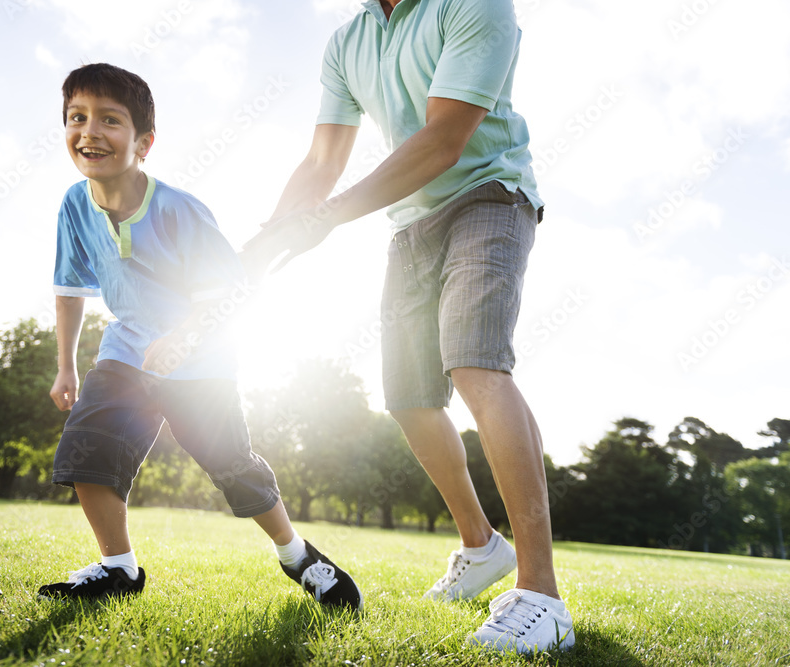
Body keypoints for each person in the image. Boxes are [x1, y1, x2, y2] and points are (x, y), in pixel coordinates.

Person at [242, 0, 573, 654]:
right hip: (408, 223)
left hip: (488, 194)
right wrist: (264, 239)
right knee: (409, 397)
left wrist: (330, 217)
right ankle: (481, 546)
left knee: (475, 364)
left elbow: (445, 139)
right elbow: (320, 162)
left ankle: (542, 592)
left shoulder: (475, 5)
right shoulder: (348, 40)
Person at [39, 63, 361, 611]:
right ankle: (118, 567)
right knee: (86, 449)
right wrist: (66, 365)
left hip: (203, 359)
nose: (89, 131)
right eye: (77, 117)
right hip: (126, 352)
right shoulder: (75, 203)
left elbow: (229, 291)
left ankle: (296, 555)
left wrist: (184, 335)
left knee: (232, 465)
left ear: (144, 143)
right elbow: (69, 288)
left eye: (110, 120)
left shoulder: (178, 210)